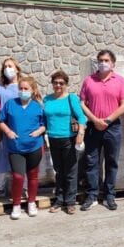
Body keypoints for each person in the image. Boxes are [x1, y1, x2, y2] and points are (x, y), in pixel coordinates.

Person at [79, 49, 124, 211]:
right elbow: (82, 103)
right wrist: (95, 120)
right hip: (93, 127)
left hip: (112, 128)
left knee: (111, 162)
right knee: (92, 162)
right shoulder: (88, 80)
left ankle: (109, 196)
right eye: (101, 60)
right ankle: (92, 195)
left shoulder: (120, 81)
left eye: (107, 60)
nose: (103, 63)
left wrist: (107, 120)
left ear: (113, 63)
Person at [0, 76, 45, 219]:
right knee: (18, 176)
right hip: (15, 148)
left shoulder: (38, 106)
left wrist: (38, 131)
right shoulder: (10, 104)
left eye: (26, 89)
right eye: (21, 88)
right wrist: (8, 131)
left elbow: (44, 125)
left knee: (33, 176)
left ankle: (31, 202)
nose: (23, 91)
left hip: (34, 147)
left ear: (32, 90)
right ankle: (16, 204)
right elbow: (1, 121)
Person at [44, 70, 87, 215]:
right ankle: (59, 199)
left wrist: (80, 134)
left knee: (70, 172)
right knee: (59, 171)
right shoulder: (47, 99)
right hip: (53, 139)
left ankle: (70, 201)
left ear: (66, 84)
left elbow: (82, 117)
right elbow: (44, 120)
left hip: (69, 139)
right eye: (55, 82)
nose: (58, 85)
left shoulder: (71, 98)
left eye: (61, 83)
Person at [0, 58, 24, 196]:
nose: (7, 68)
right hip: (3, 126)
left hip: (21, 125)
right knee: (2, 156)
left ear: (17, 68)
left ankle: (23, 188)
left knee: (22, 155)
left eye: (10, 66)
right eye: (5, 66)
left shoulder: (23, 86)